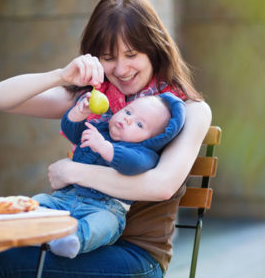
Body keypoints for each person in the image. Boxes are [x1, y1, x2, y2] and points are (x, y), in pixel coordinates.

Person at [0, 0, 211, 277]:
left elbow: (161, 185)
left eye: (131, 55)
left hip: (136, 255)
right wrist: (61, 76)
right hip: (75, 238)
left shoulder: (188, 110)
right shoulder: (92, 99)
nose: (121, 69)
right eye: (108, 57)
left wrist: (73, 172)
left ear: (154, 50)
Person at [35, 92, 185, 259]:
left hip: (105, 208)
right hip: (66, 197)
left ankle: (72, 239)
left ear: (153, 140)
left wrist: (104, 147)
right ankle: (28, 224)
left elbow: (132, 164)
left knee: (105, 225)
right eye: (128, 112)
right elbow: (73, 133)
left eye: (140, 125)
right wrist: (79, 113)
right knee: (40, 201)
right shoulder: (99, 129)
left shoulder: (144, 153)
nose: (128, 119)